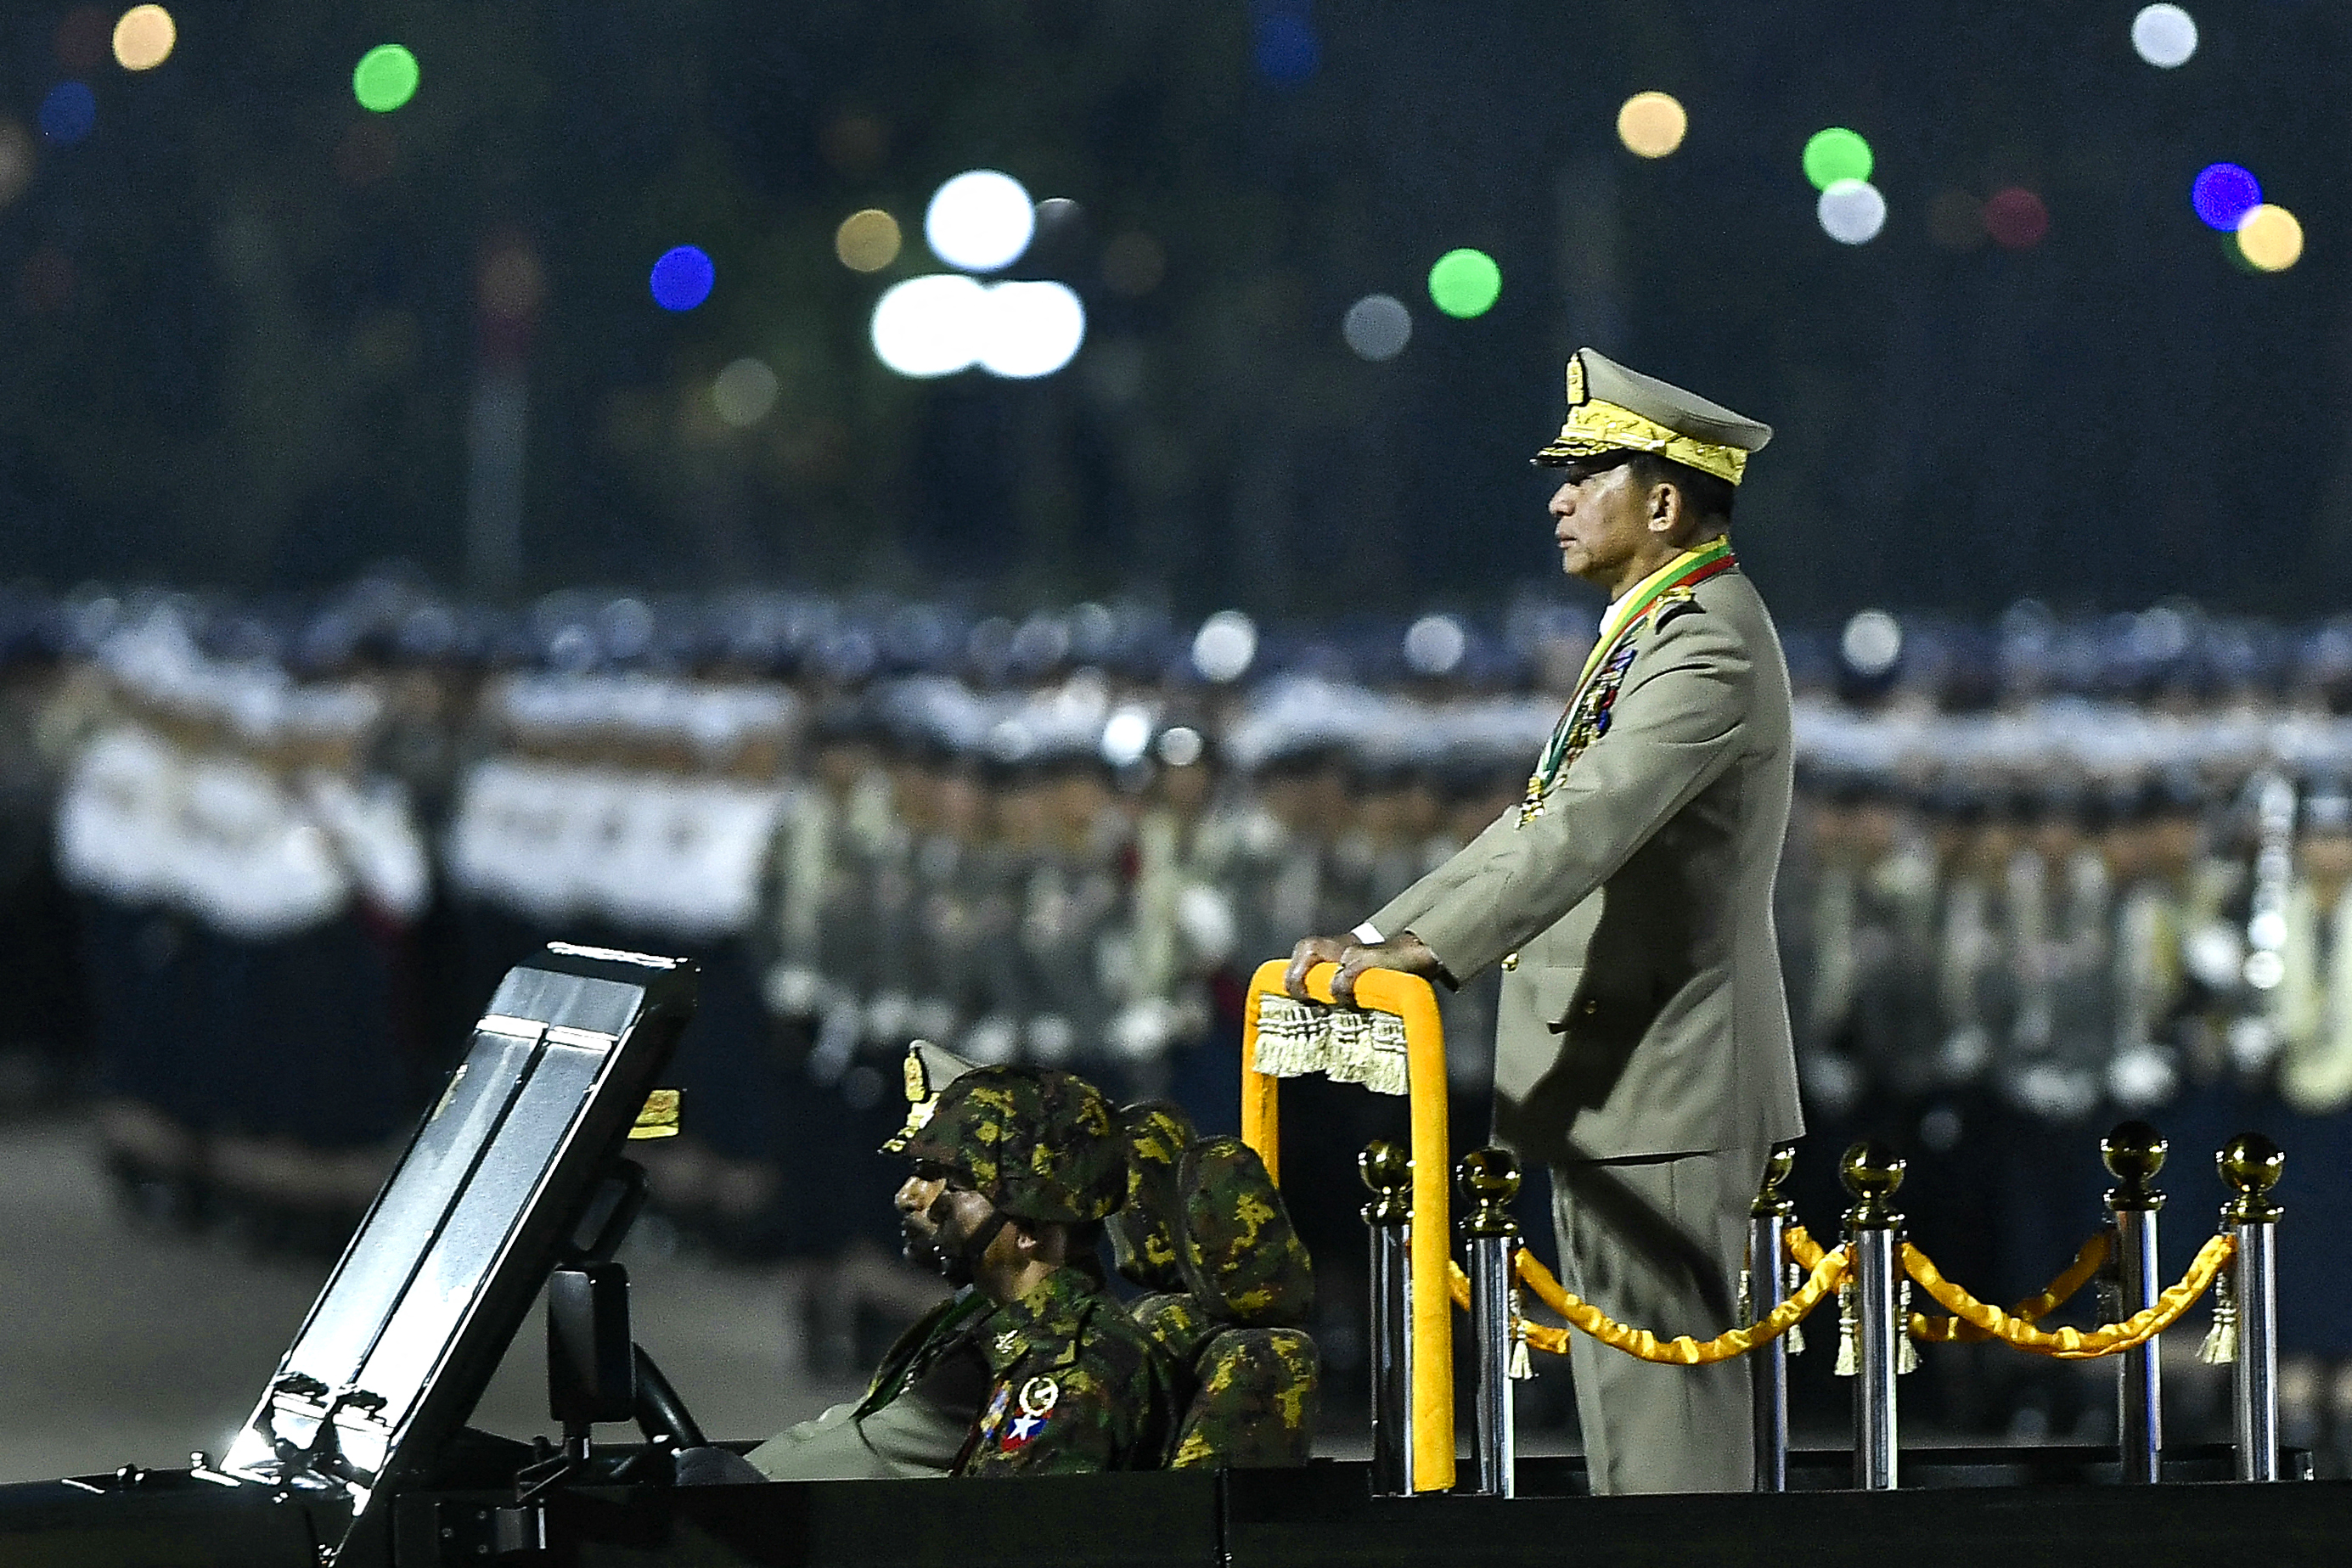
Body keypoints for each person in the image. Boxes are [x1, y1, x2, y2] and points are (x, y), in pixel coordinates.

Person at [1285, 346, 1799, 1494]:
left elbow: (1586, 826)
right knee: (1624, 1413)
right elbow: (1535, 820)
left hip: (1662, 1074)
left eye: (1584, 473)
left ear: (1662, 499)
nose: (1556, 499)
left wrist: (1425, 948)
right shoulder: (1654, 624)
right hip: (1619, 1072)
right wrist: (1381, 938)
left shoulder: (1704, 640)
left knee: (1666, 1421)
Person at [896, 1064, 1177, 1475]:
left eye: (957, 1188)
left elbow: (1007, 1532)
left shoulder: (1076, 1371)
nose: (935, 1205)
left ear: (1028, 1229)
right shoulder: (1007, 1335)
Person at [744, 1043, 999, 1480]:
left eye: (947, 1181)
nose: (908, 1197)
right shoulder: (966, 1318)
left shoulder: (1028, 1347)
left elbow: (873, 1447)